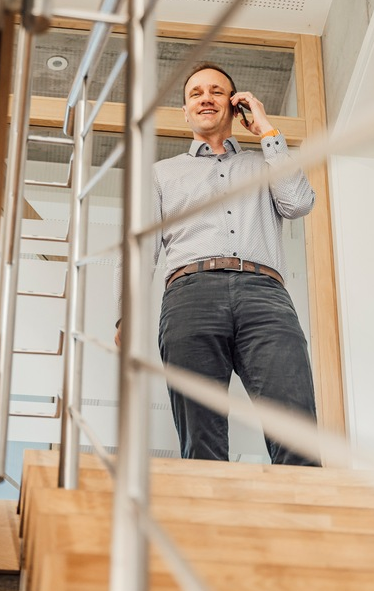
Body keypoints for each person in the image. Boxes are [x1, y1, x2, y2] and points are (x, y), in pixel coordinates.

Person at [115, 62, 319, 466]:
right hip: (190, 297)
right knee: (200, 435)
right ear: (186, 112)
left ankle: (306, 523)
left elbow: (298, 204)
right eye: (195, 93)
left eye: (217, 91)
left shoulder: (266, 165)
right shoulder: (161, 175)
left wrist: (266, 131)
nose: (206, 98)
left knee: (295, 426)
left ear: (234, 104)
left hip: (265, 296)